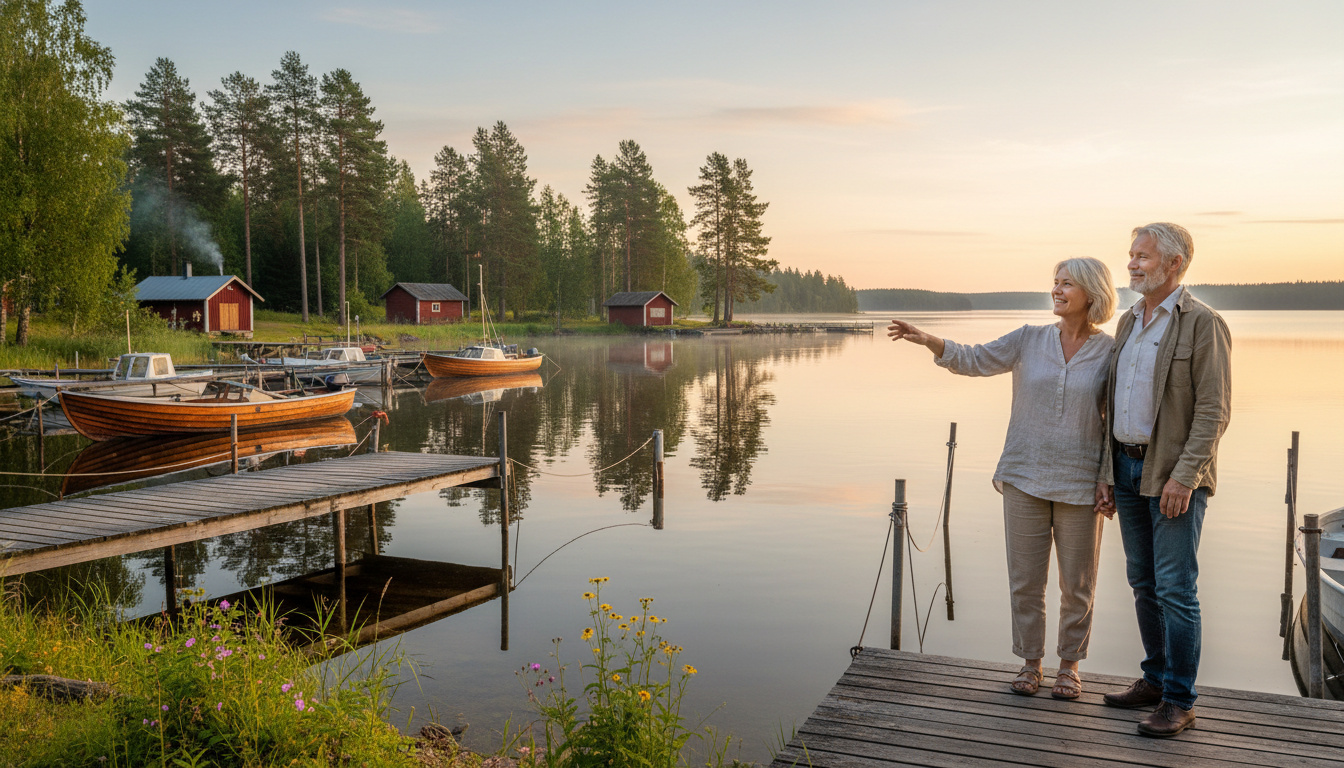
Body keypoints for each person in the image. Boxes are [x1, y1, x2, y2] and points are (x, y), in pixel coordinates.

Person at [887, 258, 1117, 700]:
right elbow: (975, 359)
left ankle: (1069, 665)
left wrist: (1108, 478)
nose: (1056, 289)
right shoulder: (1029, 339)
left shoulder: (1110, 352)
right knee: (1025, 580)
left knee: (1078, 584)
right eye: (1055, 282)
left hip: (1081, 484)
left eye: (1067, 283)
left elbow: (1115, 422)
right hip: (1022, 476)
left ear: (1092, 293)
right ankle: (1031, 663)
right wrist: (929, 341)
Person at [1098, 223, 1232, 737]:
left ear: (1174, 263)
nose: (1132, 264)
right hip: (1127, 469)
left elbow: (1214, 412)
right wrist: (1105, 473)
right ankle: (1153, 680)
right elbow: (1114, 405)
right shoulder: (1129, 322)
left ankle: (1179, 698)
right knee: (1143, 582)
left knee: (1176, 589)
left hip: (1175, 477)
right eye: (1130, 255)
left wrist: (1185, 477)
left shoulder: (1203, 323)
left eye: (1143, 257)